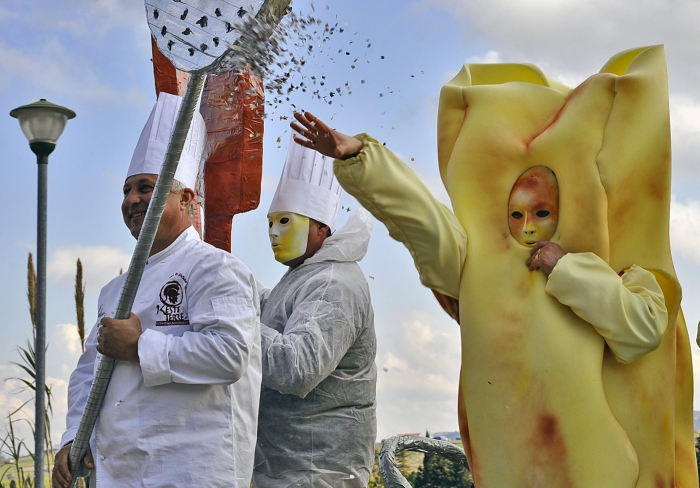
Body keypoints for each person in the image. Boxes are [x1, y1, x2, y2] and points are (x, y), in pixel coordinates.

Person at [289, 46, 696, 487]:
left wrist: (568, 271)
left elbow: (642, 332)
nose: (526, 227)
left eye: (541, 213)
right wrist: (360, 159)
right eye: (516, 214)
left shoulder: (623, 272)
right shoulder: (481, 269)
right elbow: (422, 221)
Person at [52, 92, 262, 488]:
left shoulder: (215, 269)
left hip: (190, 472)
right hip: (120, 475)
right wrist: (72, 441)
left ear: (186, 199)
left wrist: (140, 346)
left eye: (147, 188)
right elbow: (88, 374)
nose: (132, 199)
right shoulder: (115, 290)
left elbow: (230, 354)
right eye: (127, 191)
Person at [252, 136, 377, 487]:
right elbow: (273, 314)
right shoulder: (302, 276)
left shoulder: (333, 282)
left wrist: (238, 317)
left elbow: (296, 368)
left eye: (285, 222)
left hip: (319, 474)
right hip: (285, 470)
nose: (273, 233)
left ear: (322, 227)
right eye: (270, 223)